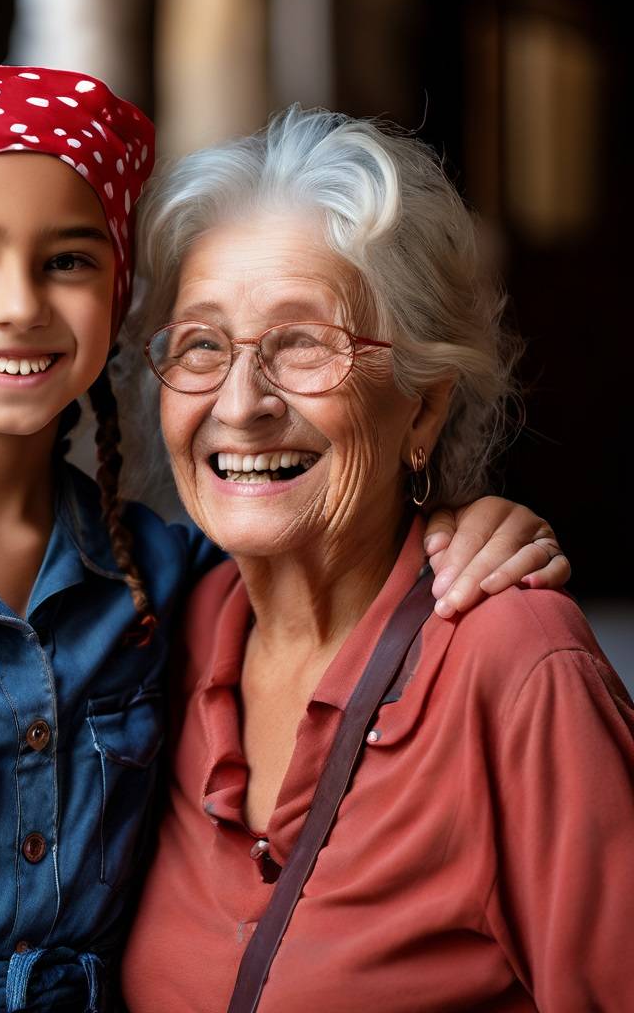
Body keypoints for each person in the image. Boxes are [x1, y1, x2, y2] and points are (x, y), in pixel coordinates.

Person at [0, 67, 568, 1013]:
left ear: (119, 297)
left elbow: (336, 549)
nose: (17, 305)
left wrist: (467, 516)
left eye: (69, 262)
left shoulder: (167, 578)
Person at [121, 105, 634, 1012]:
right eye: (202, 345)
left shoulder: (517, 668)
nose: (241, 403)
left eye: (303, 344)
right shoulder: (162, 634)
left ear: (424, 409)